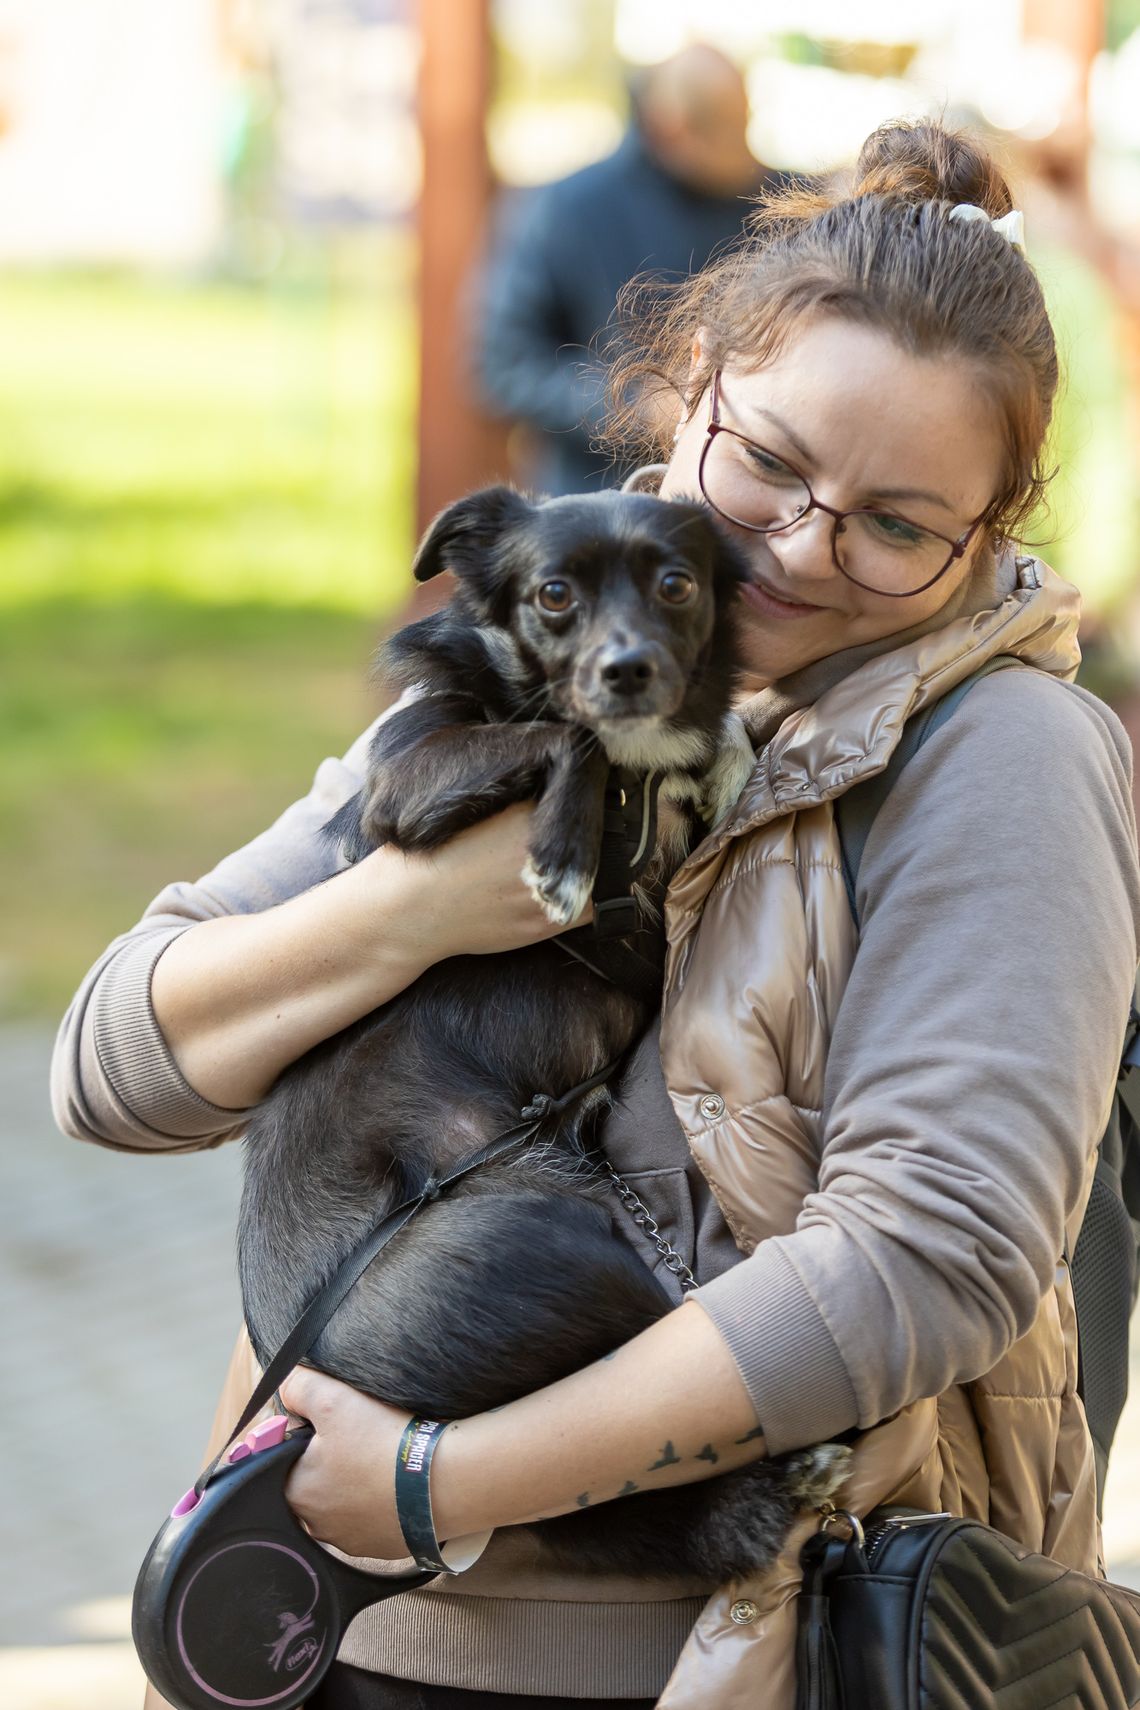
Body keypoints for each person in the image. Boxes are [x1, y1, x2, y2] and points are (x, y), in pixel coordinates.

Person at [53, 119, 1140, 1710]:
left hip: (707, 1655)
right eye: (768, 460)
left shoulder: (1005, 755)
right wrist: (417, 907)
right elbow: (106, 1065)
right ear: (688, 383)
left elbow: (931, 1251)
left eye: (898, 524)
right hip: (316, 1633)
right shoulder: (544, 646)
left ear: (990, 531)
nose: (795, 548)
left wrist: (444, 1477)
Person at [474, 43, 789, 496]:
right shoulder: (569, 209)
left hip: (739, 499)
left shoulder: (768, 197)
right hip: (598, 502)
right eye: (721, 134)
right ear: (670, 126)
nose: (739, 154)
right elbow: (504, 364)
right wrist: (634, 406)